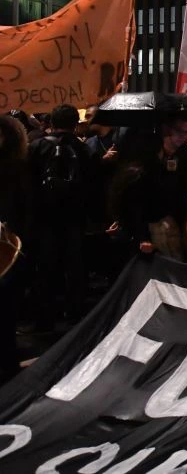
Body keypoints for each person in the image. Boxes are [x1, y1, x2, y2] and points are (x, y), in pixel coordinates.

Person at [26, 104, 92, 332]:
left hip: (44, 219)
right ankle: (75, 316)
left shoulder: (36, 147)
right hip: (74, 219)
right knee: (75, 267)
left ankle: (44, 320)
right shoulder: (83, 149)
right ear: (75, 124)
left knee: (45, 269)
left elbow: (27, 185)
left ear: (52, 122)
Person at [0, 115, 32, 381]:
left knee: (6, 309)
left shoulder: (18, 168)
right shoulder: (18, 167)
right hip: (11, 247)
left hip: (9, 247)